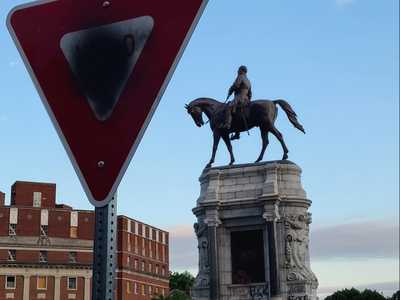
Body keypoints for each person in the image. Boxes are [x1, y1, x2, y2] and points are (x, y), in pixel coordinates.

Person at [222, 65, 252, 140]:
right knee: (238, 114)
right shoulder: (248, 81)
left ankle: (227, 125)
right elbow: (250, 93)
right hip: (246, 98)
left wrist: (230, 91)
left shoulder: (240, 77)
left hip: (239, 97)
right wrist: (248, 100)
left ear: (242, 71)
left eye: (238, 70)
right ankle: (237, 133)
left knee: (229, 107)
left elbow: (236, 85)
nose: (237, 71)